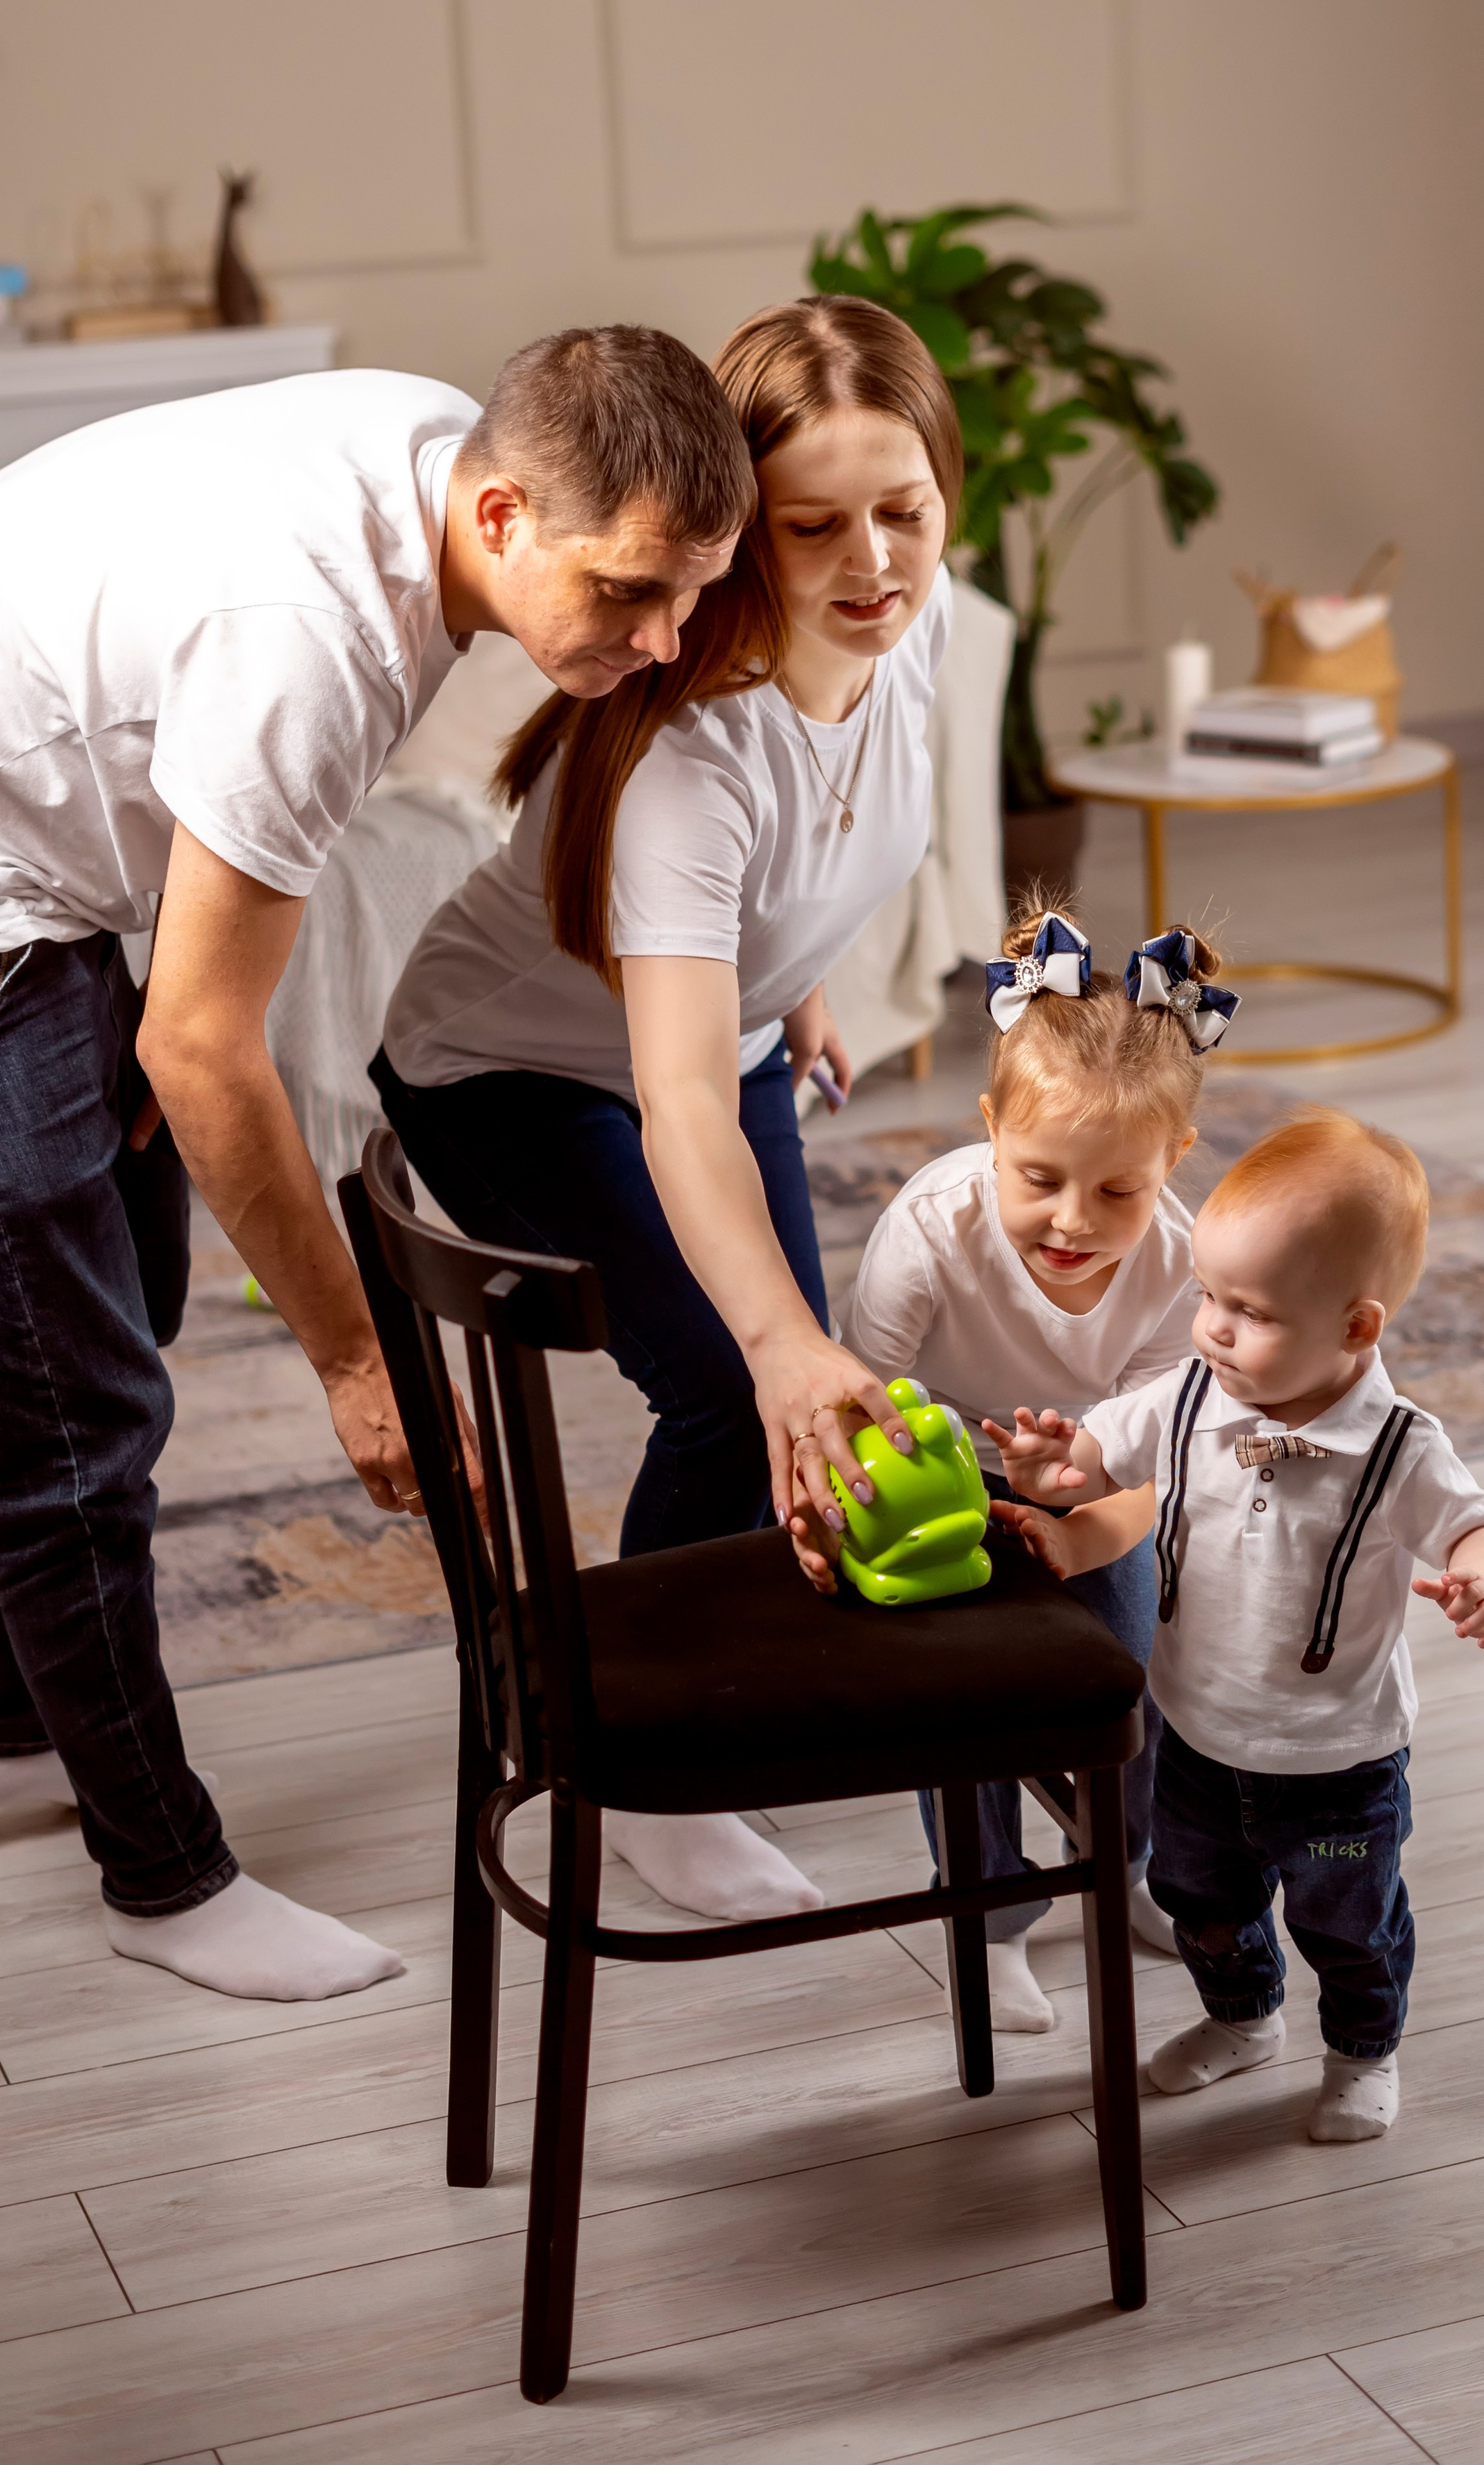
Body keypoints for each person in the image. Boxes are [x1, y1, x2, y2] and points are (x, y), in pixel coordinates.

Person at [0, 329, 753, 2000]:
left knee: (125, 1288)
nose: (664, 640)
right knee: (76, 1420)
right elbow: (203, 1047)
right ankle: (162, 1876)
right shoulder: (319, 638)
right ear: (500, 512)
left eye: (691, 595)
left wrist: (159, 1022)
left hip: (24, 848)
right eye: (635, 592)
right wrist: (356, 1358)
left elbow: (190, 1025)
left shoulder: (431, 461)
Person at [375, 295, 960, 1925]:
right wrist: (776, 1344)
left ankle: (736, 1670)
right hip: (508, 1071)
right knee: (733, 1375)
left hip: (728, 1035)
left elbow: (814, 853)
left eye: (902, 511)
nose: (873, 563)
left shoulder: (917, 634)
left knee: (801, 1370)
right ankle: (634, 1771)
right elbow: (678, 1096)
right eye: (813, 525)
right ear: (735, 540)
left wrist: (808, 969)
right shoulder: (687, 755)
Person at [994, 1107, 1484, 2141]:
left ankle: (1364, 2051)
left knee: (1345, 1920)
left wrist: (1479, 1579)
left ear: (1357, 1327)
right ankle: (1243, 2020)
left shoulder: (1398, 1447)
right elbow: (1096, 1458)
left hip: (1339, 1762)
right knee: (1203, 1901)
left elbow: (1477, 1523)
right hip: (1193, 1734)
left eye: (1255, 1311)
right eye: (1208, 1297)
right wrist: (1053, 1475)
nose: (1218, 1328)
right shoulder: (1190, 1397)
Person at [791, 909, 1235, 2029]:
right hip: (920, 1468)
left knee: (1137, 1654)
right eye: (1038, 1178)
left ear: (1172, 1163)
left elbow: (1158, 1458)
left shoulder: (1182, 1264)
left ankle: (1128, 1861)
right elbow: (854, 1407)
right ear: (990, 1128)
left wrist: (1075, 1498)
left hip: (1091, 1475)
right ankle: (984, 1911)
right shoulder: (930, 1231)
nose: (1073, 1222)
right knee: (967, 1686)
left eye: (1118, 1193)